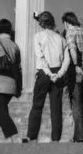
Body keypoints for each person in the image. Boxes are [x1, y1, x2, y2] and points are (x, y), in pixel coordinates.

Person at [25, 11, 70, 144]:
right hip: (58, 73)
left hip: (44, 73)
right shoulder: (61, 39)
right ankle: (55, 139)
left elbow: (40, 56)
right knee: (56, 108)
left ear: (42, 23)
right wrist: (59, 74)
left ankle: (32, 138)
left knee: (37, 105)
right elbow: (67, 60)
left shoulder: (38, 36)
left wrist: (49, 74)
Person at [0, 19, 22, 143]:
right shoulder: (15, 46)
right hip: (11, 85)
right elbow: (18, 67)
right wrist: (19, 88)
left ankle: (14, 136)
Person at [62, 12, 83, 143]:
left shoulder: (70, 32)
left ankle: (79, 136)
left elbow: (72, 49)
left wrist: (75, 65)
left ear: (66, 22)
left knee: (76, 103)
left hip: (78, 68)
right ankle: (80, 134)